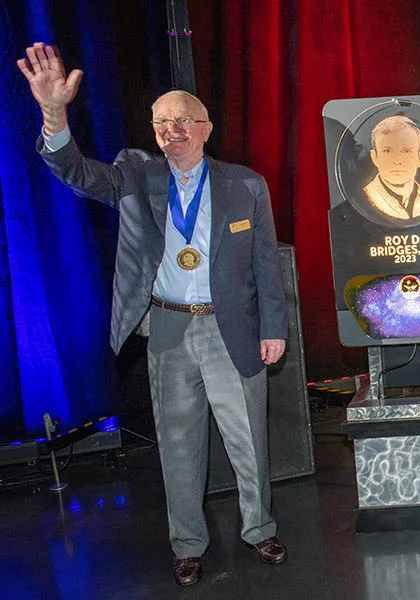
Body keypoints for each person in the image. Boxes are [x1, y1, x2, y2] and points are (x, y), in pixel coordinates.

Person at [18, 42, 289, 585]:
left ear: (206, 127)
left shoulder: (245, 184)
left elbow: (265, 264)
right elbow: (73, 171)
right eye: (162, 121)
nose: (173, 129)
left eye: (184, 119)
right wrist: (54, 113)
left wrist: (275, 329)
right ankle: (188, 543)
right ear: (153, 130)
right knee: (178, 444)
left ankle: (260, 530)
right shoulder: (134, 175)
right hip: (165, 327)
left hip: (230, 327)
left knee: (248, 441)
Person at [363, 115, 420, 220]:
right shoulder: (363, 198)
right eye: (387, 151)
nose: (397, 161)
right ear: (374, 157)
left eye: (406, 151)